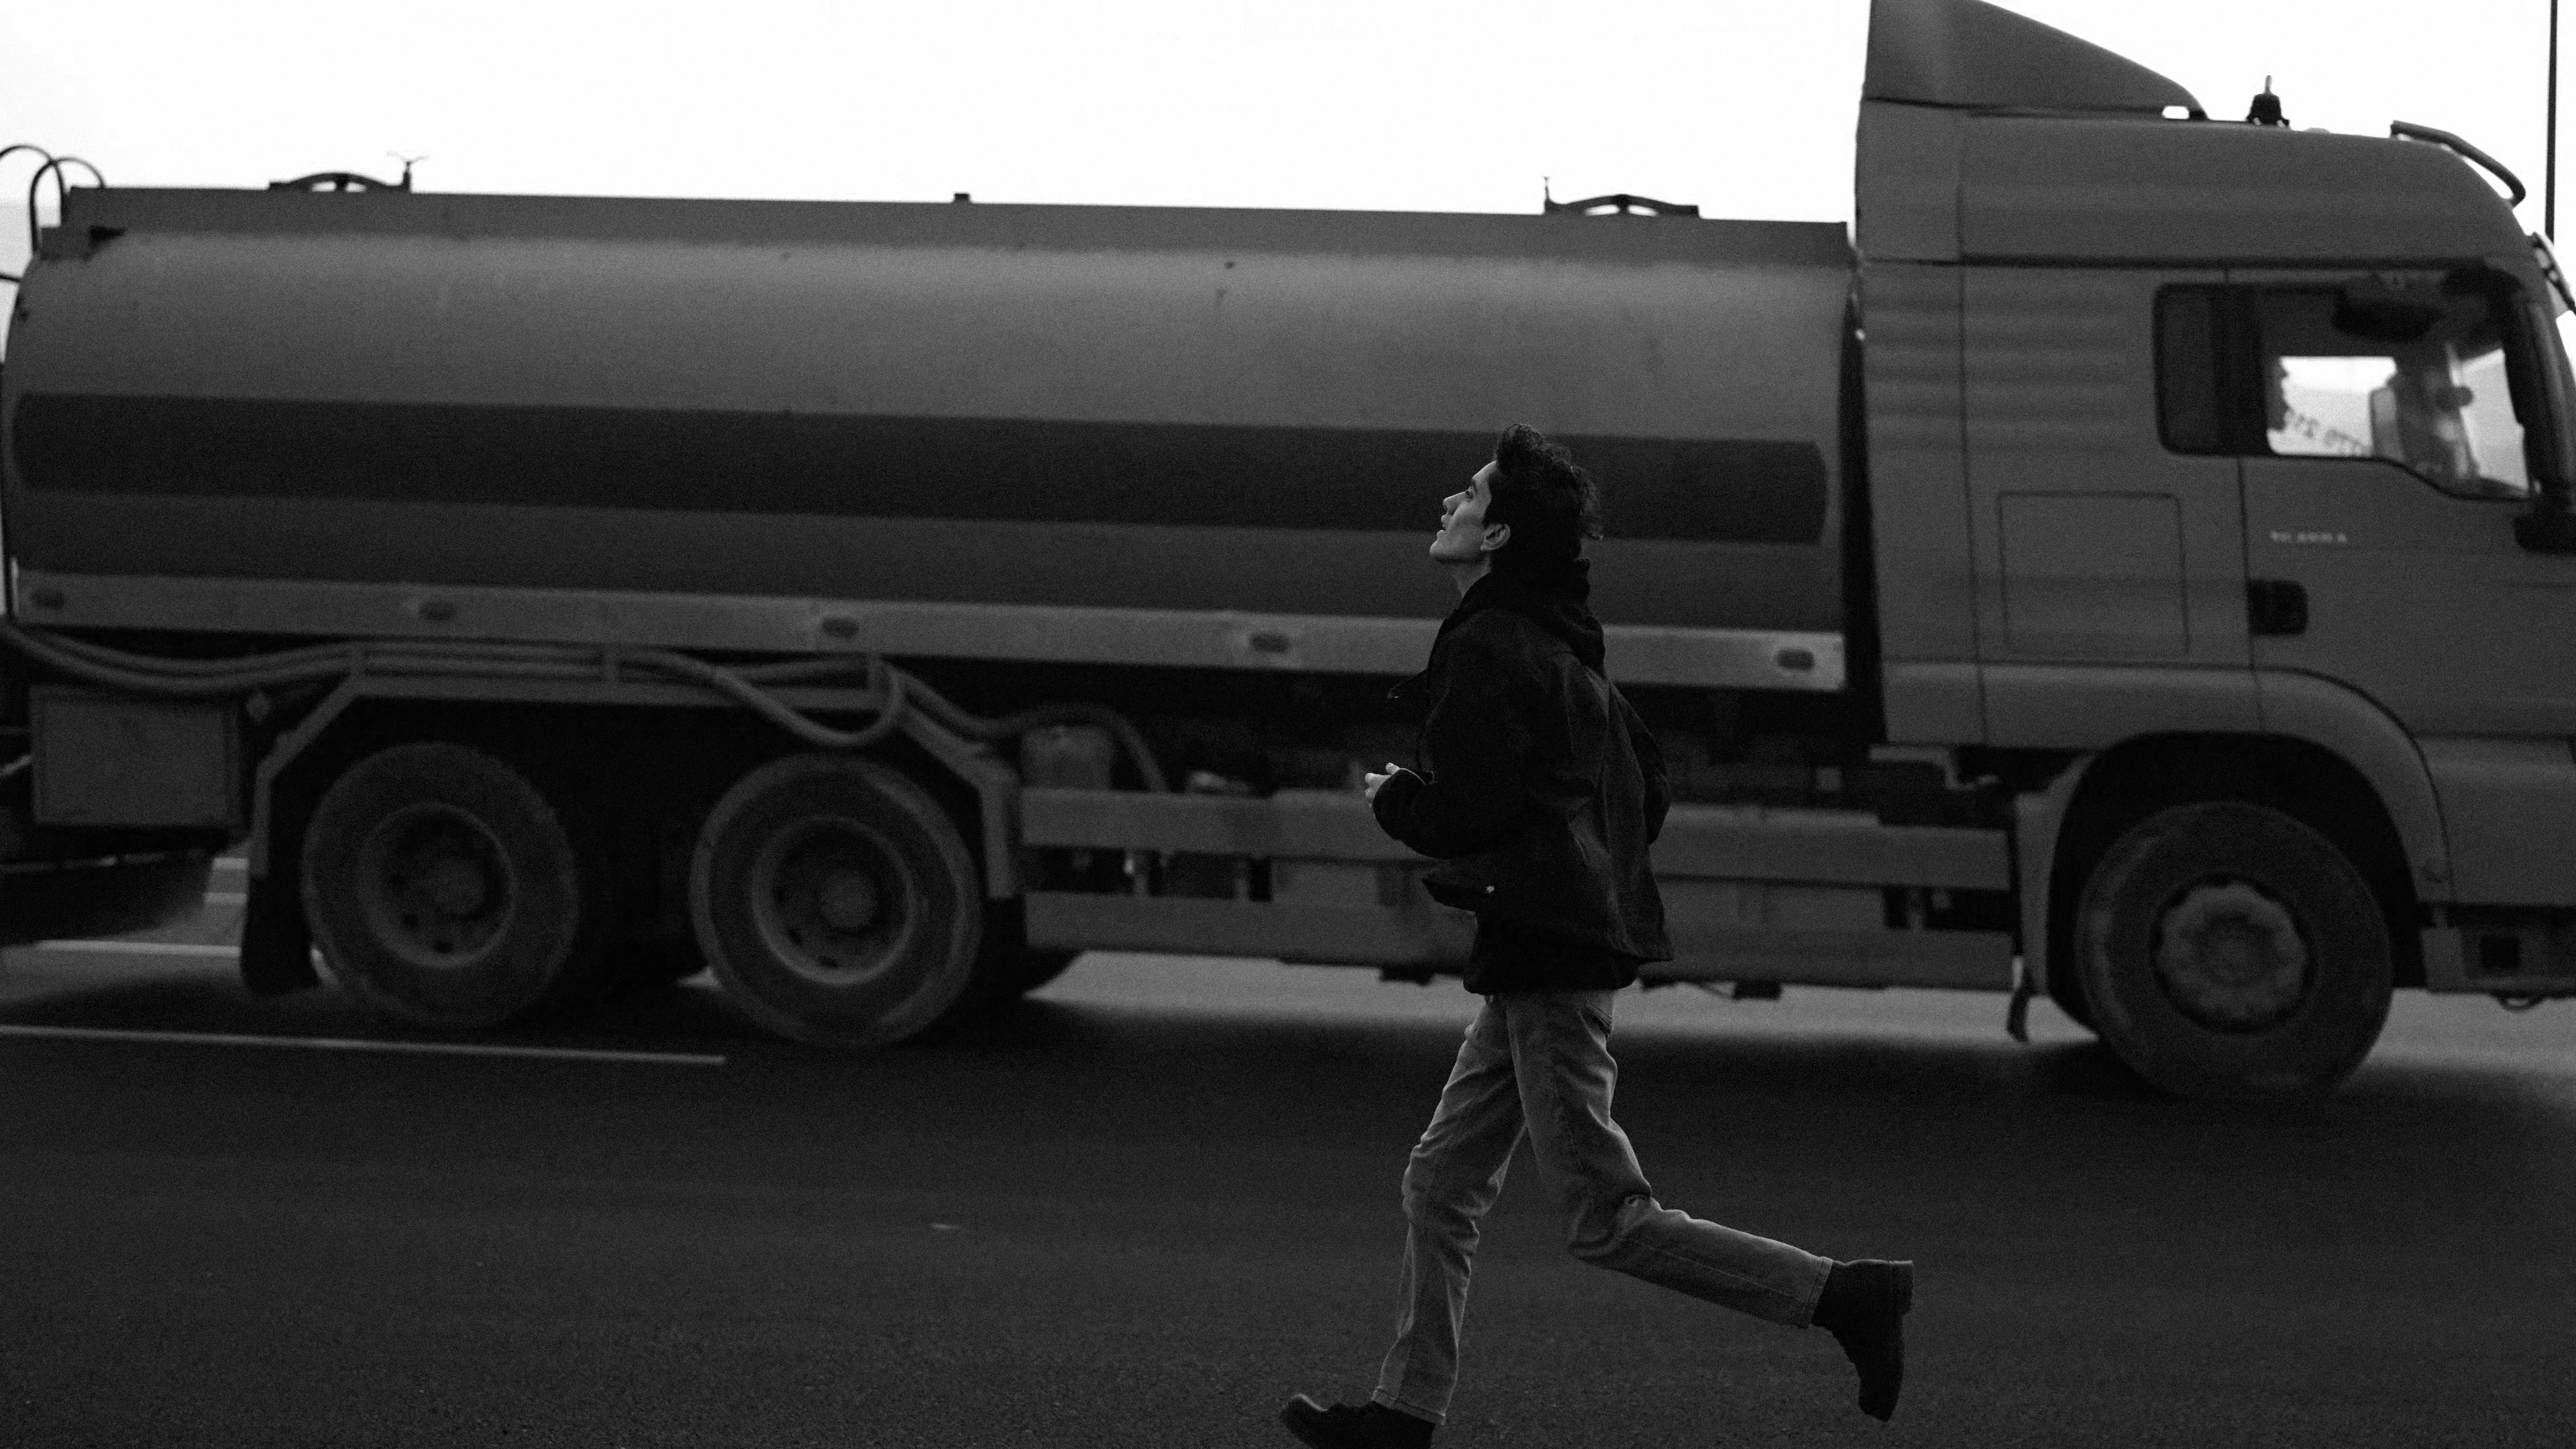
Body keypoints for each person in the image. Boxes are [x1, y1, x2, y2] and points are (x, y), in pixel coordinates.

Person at [1278, 425, 1913, 1449]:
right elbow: (1645, 787)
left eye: (1473, 492)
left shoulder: (1492, 645)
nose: (1451, 501)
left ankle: (1843, 1296)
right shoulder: (1564, 644)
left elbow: (1473, 809)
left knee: (1606, 1220)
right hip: (1548, 954)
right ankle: (1404, 1413)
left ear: (1500, 535)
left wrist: (1400, 800)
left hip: (1549, 963)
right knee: (1441, 1181)